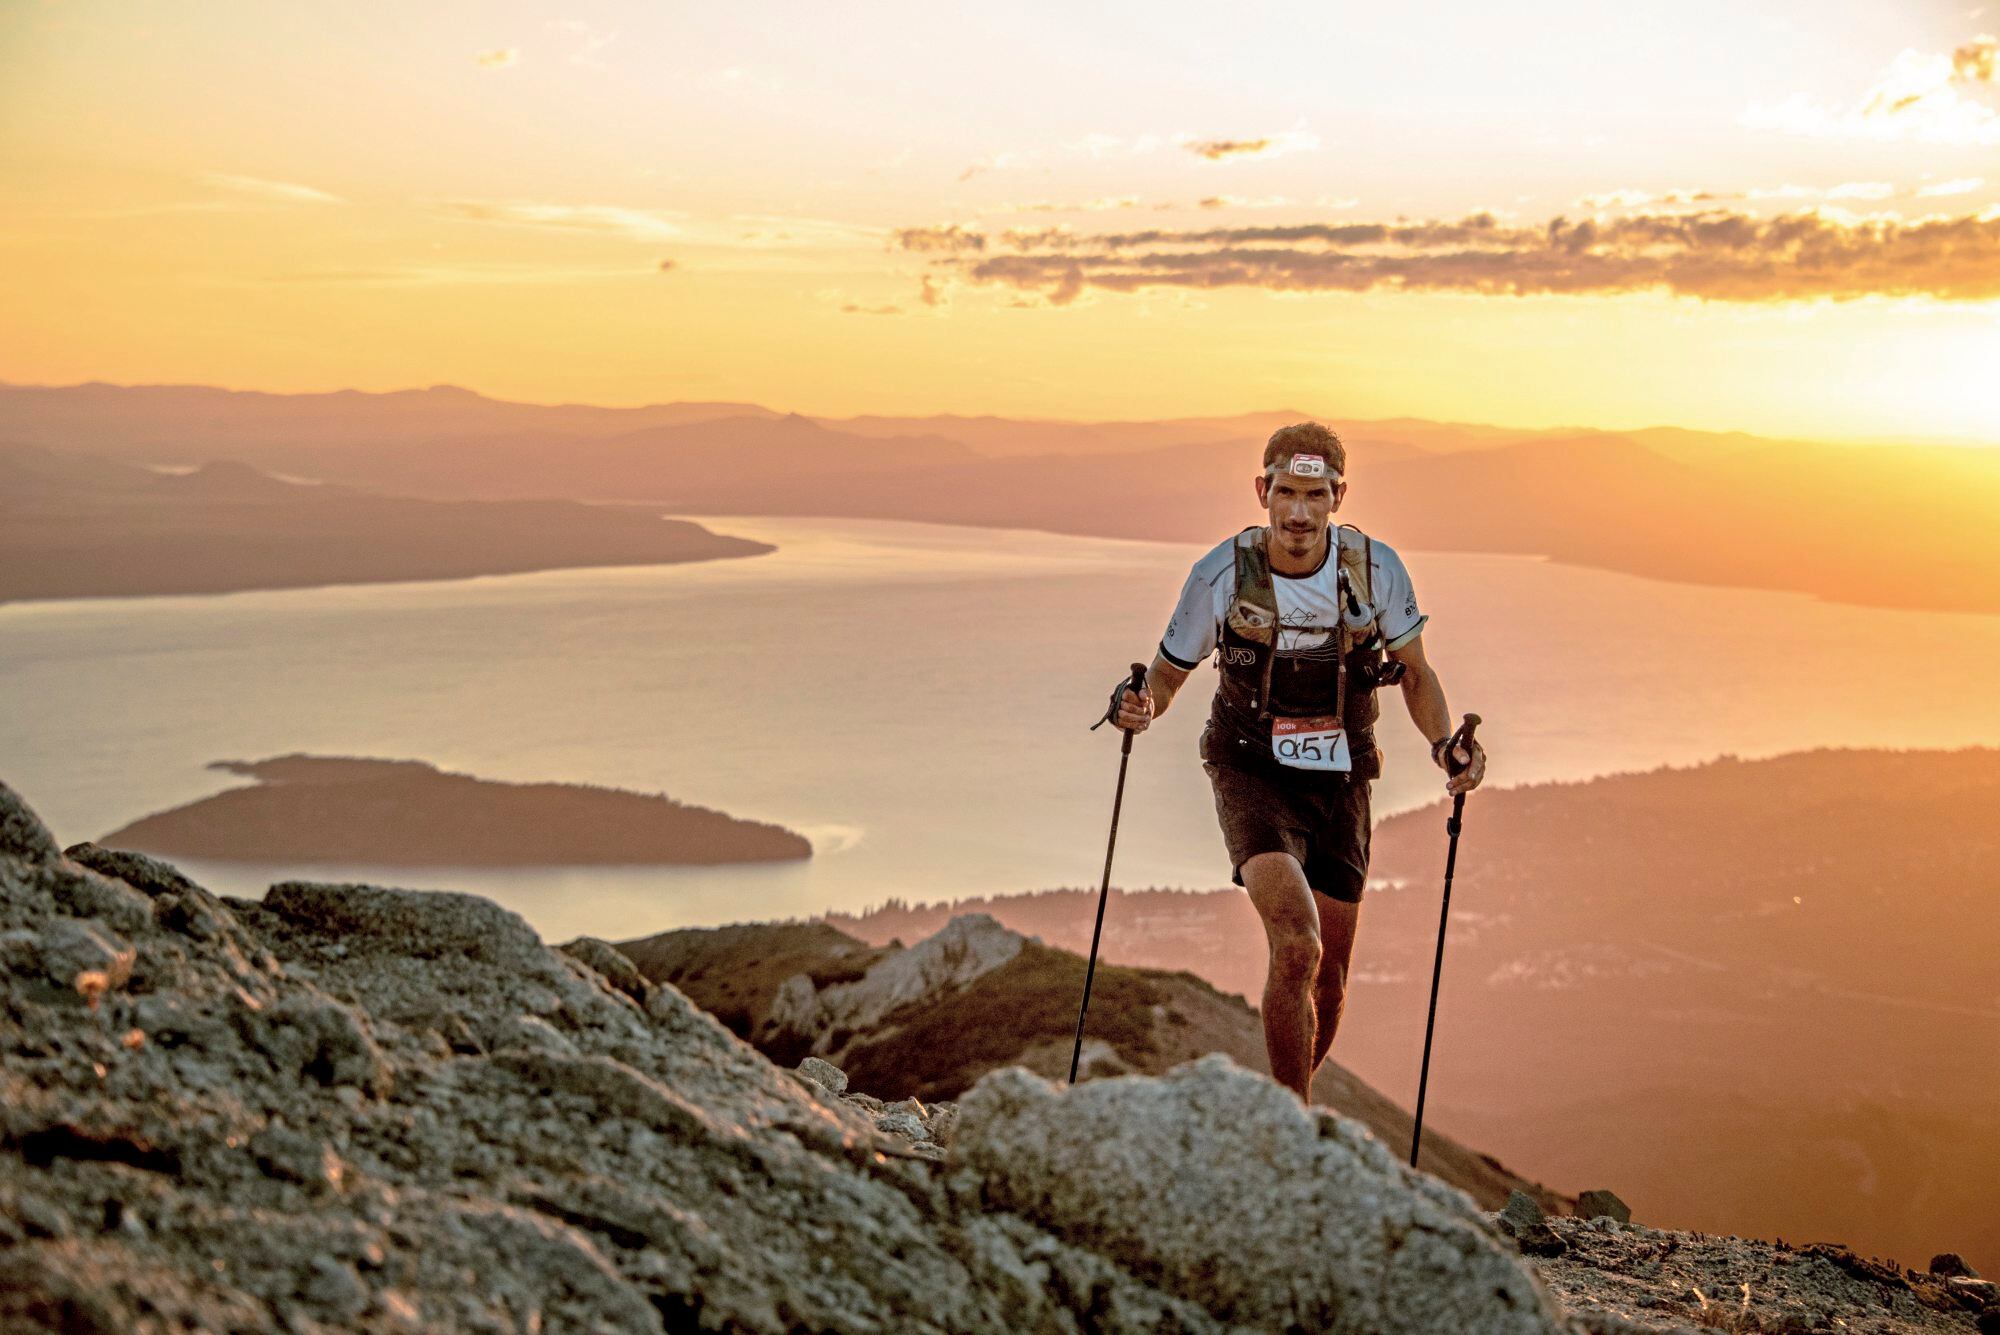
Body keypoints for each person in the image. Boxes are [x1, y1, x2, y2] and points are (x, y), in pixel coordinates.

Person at [1108, 421, 1486, 1103]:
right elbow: (1165, 676)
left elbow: (1417, 674)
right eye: (1286, 492)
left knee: (1331, 976)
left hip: (1345, 775)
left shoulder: (1376, 569)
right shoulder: (1221, 572)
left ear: (1339, 495)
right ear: (1262, 491)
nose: (1299, 512)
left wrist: (1444, 746)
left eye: (1316, 494)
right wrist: (1139, 706)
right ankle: (1290, 1129)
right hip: (1249, 765)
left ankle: (1282, 1108)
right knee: (1299, 945)